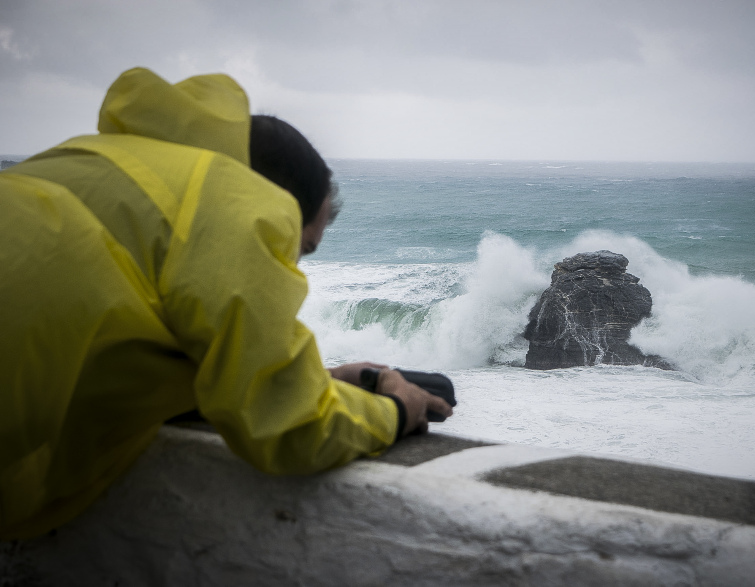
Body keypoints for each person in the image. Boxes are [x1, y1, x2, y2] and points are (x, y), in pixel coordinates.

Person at [0, 67, 452, 540]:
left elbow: (117, 320)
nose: (292, 268)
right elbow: (290, 425)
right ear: (271, 202)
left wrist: (317, 378)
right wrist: (398, 410)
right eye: (299, 249)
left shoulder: (88, 162)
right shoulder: (235, 206)